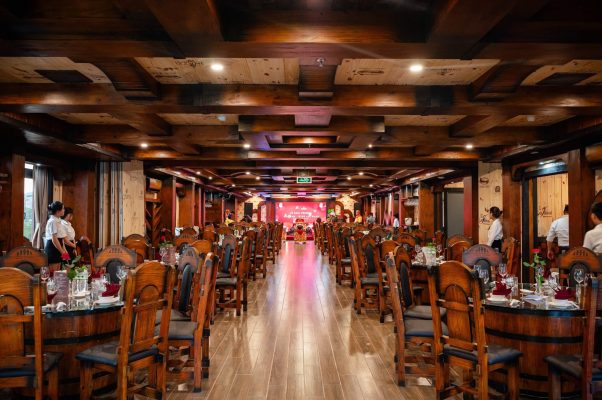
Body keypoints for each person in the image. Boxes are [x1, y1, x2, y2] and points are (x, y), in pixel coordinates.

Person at [44, 201, 68, 267]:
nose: (64, 210)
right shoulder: (53, 221)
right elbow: (54, 239)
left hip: (59, 247)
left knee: (59, 270)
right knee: (54, 271)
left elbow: (61, 238)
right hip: (53, 248)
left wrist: (65, 251)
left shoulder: (58, 220)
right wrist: (62, 252)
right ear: (58, 211)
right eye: (63, 208)